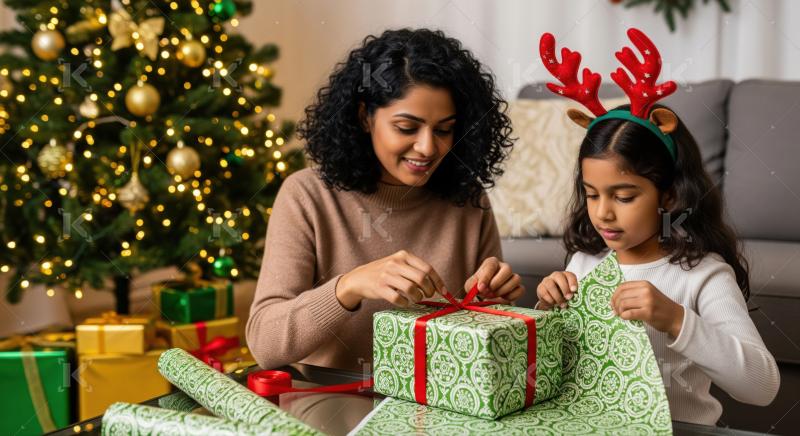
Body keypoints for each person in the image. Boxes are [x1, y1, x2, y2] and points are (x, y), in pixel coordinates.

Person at [536, 28, 779, 425]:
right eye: (592, 194)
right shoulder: (583, 262)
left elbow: (762, 386)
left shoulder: (702, 275)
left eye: (625, 196)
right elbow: (557, 374)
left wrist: (675, 318)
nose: (603, 214)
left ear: (668, 196)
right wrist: (546, 310)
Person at [247, 28, 523, 372]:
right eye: (407, 128)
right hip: (333, 406)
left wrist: (492, 304)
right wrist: (348, 286)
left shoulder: (468, 201)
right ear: (365, 117)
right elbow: (265, 344)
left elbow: (486, 353)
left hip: (439, 408)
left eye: (443, 129)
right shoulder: (307, 196)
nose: (427, 147)